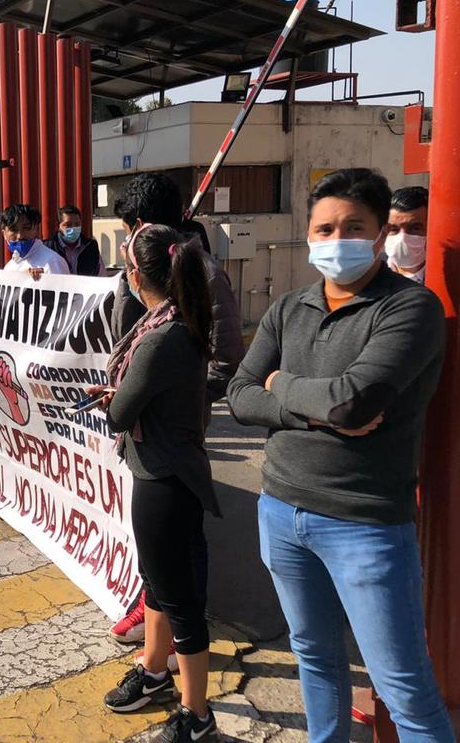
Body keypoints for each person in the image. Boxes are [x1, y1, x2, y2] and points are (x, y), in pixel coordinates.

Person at [228, 169, 453, 743]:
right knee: (314, 656)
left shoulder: (410, 308)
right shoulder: (287, 307)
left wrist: (281, 385)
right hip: (280, 510)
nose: (336, 240)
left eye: (353, 227)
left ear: (379, 233)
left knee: (403, 688)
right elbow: (238, 396)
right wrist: (303, 402)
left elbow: (354, 404)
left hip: (366, 524)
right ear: (308, 235)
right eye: (324, 228)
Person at [90, 224, 220, 743]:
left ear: (136, 274)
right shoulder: (175, 324)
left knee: (178, 597)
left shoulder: (160, 338)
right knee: (159, 586)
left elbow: (121, 414)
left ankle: (197, 713)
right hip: (171, 472)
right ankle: (154, 671)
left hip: (164, 478)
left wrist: (112, 398)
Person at [109, 171, 244, 646]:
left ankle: (187, 623)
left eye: (129, 230)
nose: (127, 240)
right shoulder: (136, 273)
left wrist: (181, 395)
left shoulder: (204, 273)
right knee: (159, 537)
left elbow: (226, 357)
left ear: (143, 225)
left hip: (175, 431)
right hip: (144, 430)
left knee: (183, 534)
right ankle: (156, 615)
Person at [0, 203, 68, 278]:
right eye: (14, 229)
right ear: (4, 234)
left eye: (26, 228)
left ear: (36, 230)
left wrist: (43, 281)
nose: (20, 236)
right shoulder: (10, 266)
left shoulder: (52, 262)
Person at [44, 204, 106, 276]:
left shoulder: (90, 247)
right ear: (58, 226)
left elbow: (101, 275)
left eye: (77, 224)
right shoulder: (48, 247)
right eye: (68, 225)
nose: (73, 228)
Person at [385, 185, 428, 283]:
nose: (402, 238)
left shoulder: (450, 275)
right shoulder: (369, 275)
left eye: (415, 228)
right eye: (393, 229)